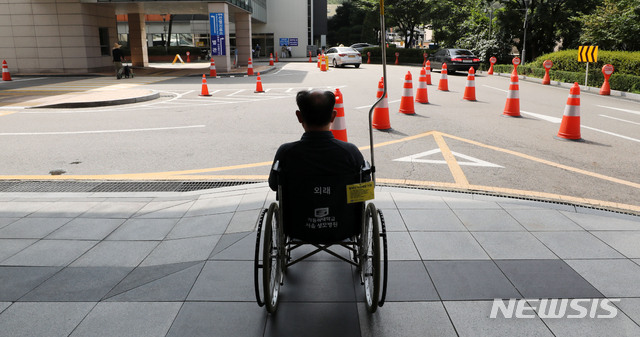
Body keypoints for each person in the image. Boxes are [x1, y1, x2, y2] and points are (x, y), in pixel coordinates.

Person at [268, 90, 365, 193]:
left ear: (299, 116)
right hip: (341, 209)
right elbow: (365, 186)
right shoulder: (350, 152)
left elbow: (274, 185)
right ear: (333, 116)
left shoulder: (286, 152)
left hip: (298, 209)